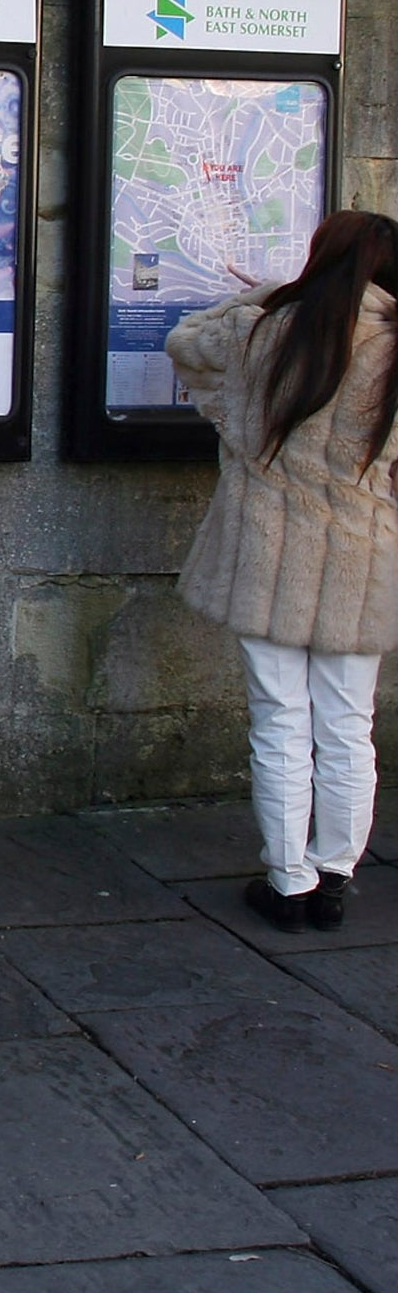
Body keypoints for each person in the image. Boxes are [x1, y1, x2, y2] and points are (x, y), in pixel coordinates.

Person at [167, 211, 398, 932]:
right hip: (359, 564)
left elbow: (183, 342)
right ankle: (334, 873)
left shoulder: (262, 332)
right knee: (347, 722)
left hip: (264, 558)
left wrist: (265, 291)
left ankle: (286, 879)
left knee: (278, 719)